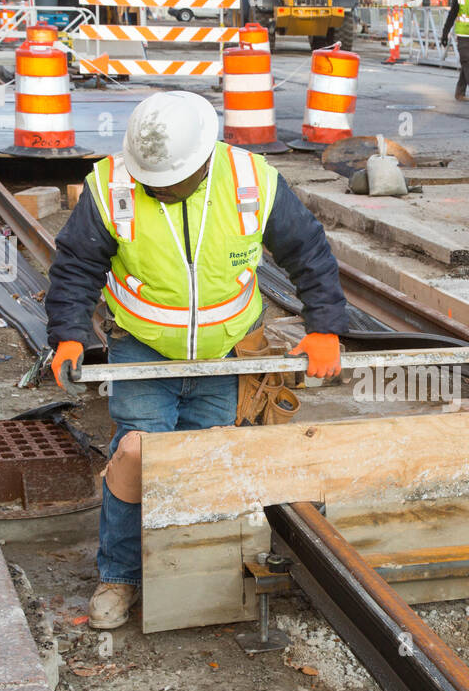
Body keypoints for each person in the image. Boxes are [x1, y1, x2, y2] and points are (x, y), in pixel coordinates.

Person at [45, 91, 349, 629]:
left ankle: (193, 573)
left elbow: (309, 252)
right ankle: (121, 575)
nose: (159, 188)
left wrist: (324, 328)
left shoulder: (252, 180)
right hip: (142, 349)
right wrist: (69, 335)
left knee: (204, 461)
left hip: (227, 349)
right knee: (139, 457)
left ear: (206, 156)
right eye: (152, 181)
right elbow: (75, 268)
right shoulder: (111, 185)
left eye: (170, 180)